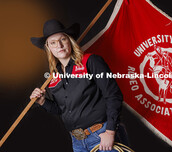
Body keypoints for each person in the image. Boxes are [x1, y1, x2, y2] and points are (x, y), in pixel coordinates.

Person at [29, 19, 129, 152]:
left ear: (69, 40)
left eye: (62, 39)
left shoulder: (91, 62)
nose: (59, 45)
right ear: (49, 48)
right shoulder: (54, 77)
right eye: (53, 43)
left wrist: (110, 132)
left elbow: (113, 95)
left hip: (101, 136)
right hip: (77, 143)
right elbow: (63, 110)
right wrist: (43, 102)